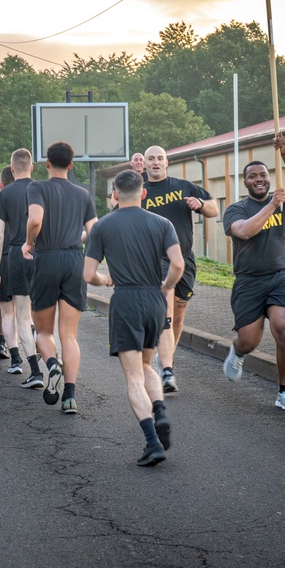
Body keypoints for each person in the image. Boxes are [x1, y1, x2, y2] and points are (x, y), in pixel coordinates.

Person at [84, 170, 184, 466]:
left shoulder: (102, 227)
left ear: (114, 194)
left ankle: (152, 442)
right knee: (146, 364)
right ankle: (161, 412)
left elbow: (89, 275)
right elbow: (177, 264)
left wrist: (105, 280)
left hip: (126, 300)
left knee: (133, 376)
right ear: (143, 193)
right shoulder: (162, 223)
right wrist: (165, 287)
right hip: (155, 299)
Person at [222, 134, 285, 411]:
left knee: (283, 327)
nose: (259, 179)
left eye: (263, 175)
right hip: (247, 281)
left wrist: (284, 153)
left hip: (279, 276)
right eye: (252, 176)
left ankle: (284, 393)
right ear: (245, 182)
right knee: (249, 341)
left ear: (269, 178)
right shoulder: (236, 209)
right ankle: (238, 351)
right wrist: (272, 205)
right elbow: (245, 231)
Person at [23, 141, 98, 414]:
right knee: (69, 335)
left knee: (43, 331)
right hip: (74, 260)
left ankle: (52, 365)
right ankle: (70, 396)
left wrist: (29, 243)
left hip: (46, 258)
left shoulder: (37, 187)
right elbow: (94, 230)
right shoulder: (83, 194)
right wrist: (77, 240)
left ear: (46, 164)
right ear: (71, 164)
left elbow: (35, 221)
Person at [142, 145, 218, 393]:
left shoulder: (183, 186)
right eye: (150, 159)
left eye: (159, 159)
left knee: (179, 315)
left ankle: (166, 360)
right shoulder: (139, 189)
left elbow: (214, 208)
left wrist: (200, 205)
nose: (155, 163)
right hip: (156, 260)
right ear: (144, 163)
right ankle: (167, 371)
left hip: (184, 258)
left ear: (167, 162)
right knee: (166, 309)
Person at [0, 150, 37, 373]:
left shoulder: (6, 194)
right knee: (39, 314)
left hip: (15, 257)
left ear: (11, 169)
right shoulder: (43, 190)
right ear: (32, 167)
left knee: (13, 313)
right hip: (42, 256)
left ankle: (18, 360)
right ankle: (51, 358)